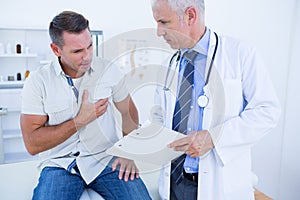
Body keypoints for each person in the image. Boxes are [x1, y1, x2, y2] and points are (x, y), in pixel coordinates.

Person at [151, 0, 281, 199]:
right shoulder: (170, 63)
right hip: (174, 183)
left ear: (190, 16)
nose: (159, 32)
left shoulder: (239, 54)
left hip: (220, 185)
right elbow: (159, 114)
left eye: (164, 22)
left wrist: (214, 138)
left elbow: (267, 111)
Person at [20, 11, 151, 200]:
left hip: (106, 160)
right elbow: (32, 144)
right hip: (60, 165)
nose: (87, 56)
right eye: (77, 51)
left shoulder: (109, 71)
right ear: (56, 50)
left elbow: (128, 112)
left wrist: (128, 151)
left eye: (90, 46)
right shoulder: (38, 82)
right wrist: (79, 121)